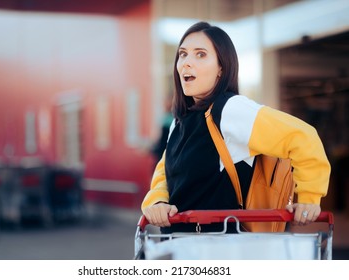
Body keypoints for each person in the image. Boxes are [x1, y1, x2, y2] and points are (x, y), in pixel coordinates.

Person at [141, 21, 331, 234]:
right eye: (183, 54)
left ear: (221, 68)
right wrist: (157, 202)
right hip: (183, 251)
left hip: (225, 252)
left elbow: (303, 137)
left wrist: (309, 198)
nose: (186, 62)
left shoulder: (229, 110)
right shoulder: (180, 121)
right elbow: (165, 175)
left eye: (200, 54)